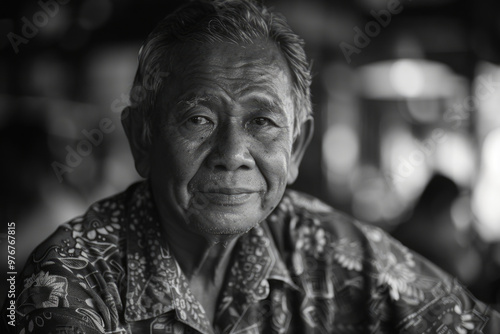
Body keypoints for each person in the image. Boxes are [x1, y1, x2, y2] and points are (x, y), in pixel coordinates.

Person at [3, 0, 500, 333]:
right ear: (143, 138)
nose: (233, 153)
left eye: (263, 121)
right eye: (198, 118)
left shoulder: (324, 245)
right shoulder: (69, 281)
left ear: (298, 147)